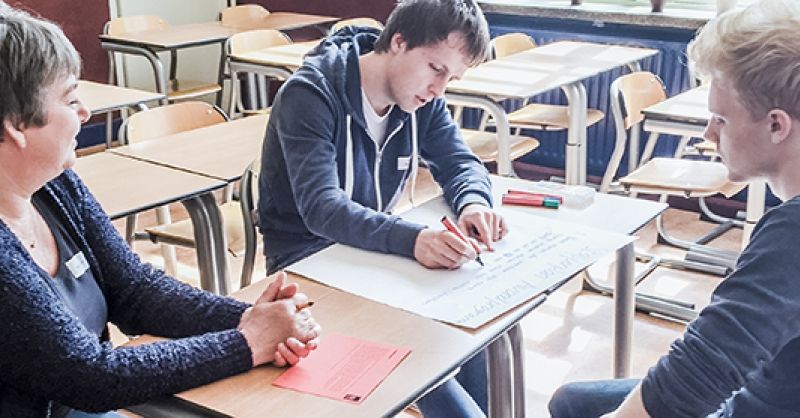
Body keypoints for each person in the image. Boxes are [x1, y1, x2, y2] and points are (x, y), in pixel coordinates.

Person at [0, 6, 320, 417]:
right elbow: (90, 376)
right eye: (71, 97)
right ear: (14, 126)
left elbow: (135, 292)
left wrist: (261, 319)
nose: (85, 113)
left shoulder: (55, 185)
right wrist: (248, 341)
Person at [548, 0, 800, 417]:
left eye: (720, 119)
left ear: (777, 125)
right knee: (574, 401)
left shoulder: (792, 236)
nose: (707, 133)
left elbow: (698, 375)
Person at [257, 0, 505, 416]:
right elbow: (322, 208)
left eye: (452, 78)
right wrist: (413, 239)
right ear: (399, 42)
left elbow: (460, 161)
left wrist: (474, 201)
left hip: (369, 254)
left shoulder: (420, 99)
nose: (439, 89)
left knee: (474, 331)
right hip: (308, 263)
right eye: (436, 69)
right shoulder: (311, 93)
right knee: (438, 376)